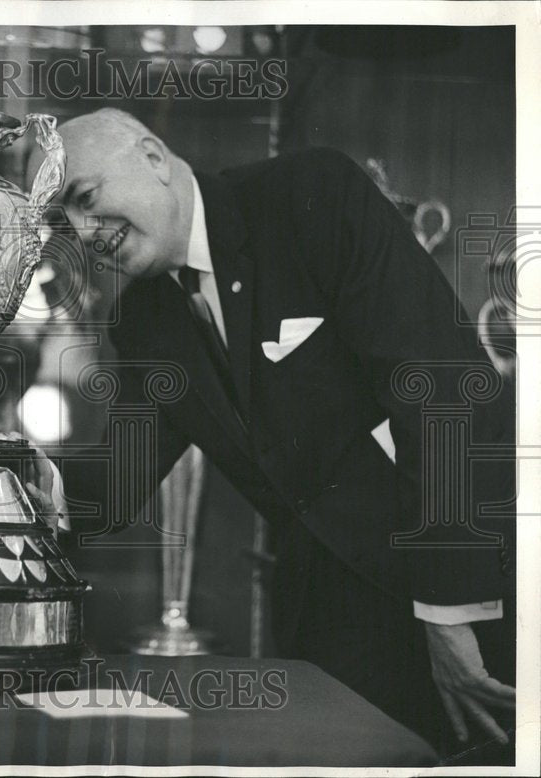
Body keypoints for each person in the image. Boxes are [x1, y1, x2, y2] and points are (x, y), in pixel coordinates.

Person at [30, 108, 516, 758]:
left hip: (463, 592)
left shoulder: (309, 195)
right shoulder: (143, 320)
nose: (84, 233)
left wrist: (452, 611)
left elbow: (447, 391)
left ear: (152, 156)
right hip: (328, 630)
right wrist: (9, 473)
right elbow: (115, 484)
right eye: (63, 223)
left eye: (85, 199)